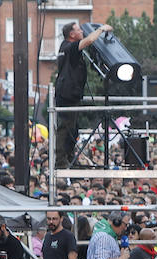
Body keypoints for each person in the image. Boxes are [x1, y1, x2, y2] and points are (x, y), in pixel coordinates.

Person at [53, 21, 113, 166]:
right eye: (79, 30)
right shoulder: (71, 46)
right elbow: (90, 40)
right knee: (65, 127)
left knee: (73, 130)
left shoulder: (63, 46)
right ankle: (61, 160)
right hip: (68, 94)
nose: (82, 32)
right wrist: (101, 29)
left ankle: (69, 157)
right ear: (72, 35)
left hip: (67, 93)